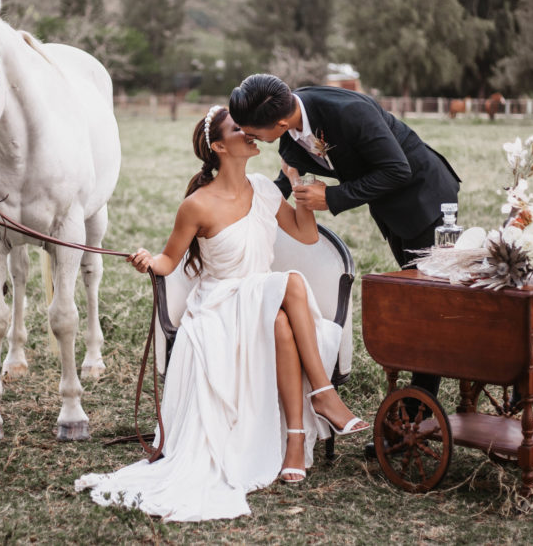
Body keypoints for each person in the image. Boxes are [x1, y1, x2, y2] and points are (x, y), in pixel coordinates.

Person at [75, 106, 368, 522]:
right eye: (238, 128)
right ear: (218, 146)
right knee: (291, 284)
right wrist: (148, 260)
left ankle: (295, 442)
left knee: (282, 322)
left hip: (260, 298)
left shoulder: (264, 189)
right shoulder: (196, 205)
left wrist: (300, 189)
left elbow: (305, 235)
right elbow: (168, 260)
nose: (249, 132)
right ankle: (324, 395)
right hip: (220, 305)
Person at [228, 74, 461, 411]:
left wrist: (332, 197)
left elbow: (398, 169)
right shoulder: (289, 120)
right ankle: (420, 400)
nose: (251, 138)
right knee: (419, 295)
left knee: (428, 301)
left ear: (279, 124)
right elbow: (285, 180)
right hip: (390, 208)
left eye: (253, 133)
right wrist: (234, 212)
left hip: (426, 200)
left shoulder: (349, 112)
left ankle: (418, 407)